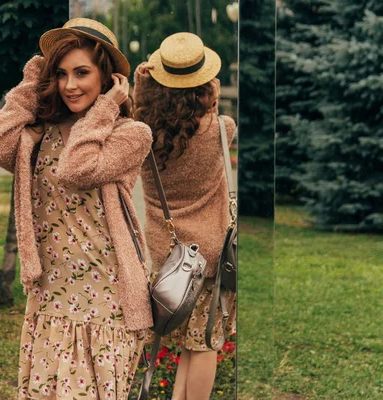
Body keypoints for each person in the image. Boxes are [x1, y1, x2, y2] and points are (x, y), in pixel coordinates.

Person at [0, 18, 154, 400]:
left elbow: (78, 169)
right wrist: (34, 78)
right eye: (61, 74)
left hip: (106, 297)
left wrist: (106, 108)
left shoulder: (129, 134)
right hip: (50, 292)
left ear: (107, 78)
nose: (70, 85)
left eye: (82, 73)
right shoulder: (40, 133)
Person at [133, 33, 237, 400]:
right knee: (204, 343)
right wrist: (213, 91)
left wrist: (140, 82)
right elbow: (215, 110)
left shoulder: (142, 133)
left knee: (179, 343)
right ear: (206, 84)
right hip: (208, 257)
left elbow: (134, 105)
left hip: (166, 256)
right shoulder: (221, 129)